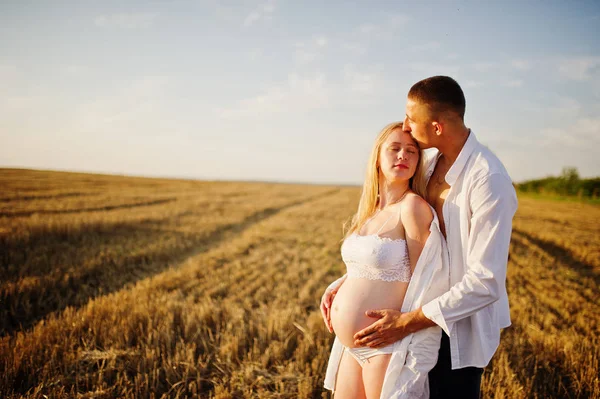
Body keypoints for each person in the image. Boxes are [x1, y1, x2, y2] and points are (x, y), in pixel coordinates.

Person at [323, 76, 518, 398]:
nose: (406, 125)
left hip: (455, 325)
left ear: (437, 127)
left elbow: (486, 281)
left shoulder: (488, 180)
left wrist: (408, 321)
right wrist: (343, 285)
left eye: (411, 118)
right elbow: (394, 255)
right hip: (410, 317)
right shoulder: (428, 165)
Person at [321, 121, 450, 398]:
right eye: (394, 148)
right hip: (350, 347)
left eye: (411, 151)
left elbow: (427, 278)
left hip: (385, 346)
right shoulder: (370, 209)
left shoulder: (412, 207)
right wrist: (338, 286)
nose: (403, 155)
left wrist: (406, 323)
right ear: (378, 157)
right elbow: (369, 268)